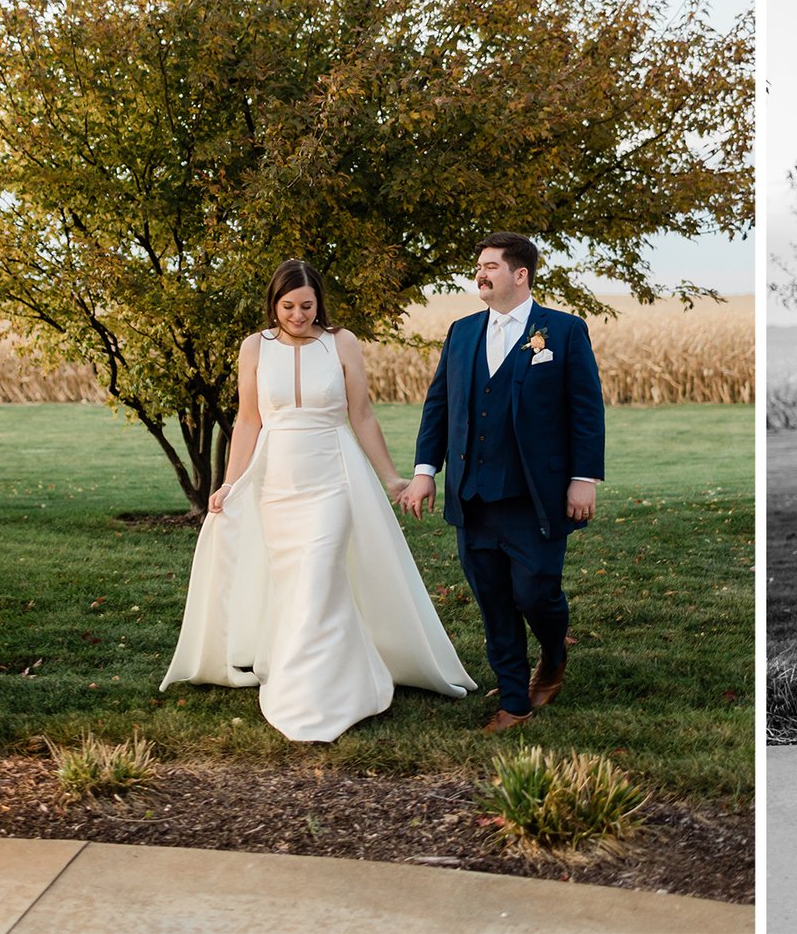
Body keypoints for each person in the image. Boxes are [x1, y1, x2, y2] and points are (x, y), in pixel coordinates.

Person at [163, 260, 475, 742]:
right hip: (278, 481)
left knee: (320, 573)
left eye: (306, 305)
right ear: (274, 304)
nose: (297, 315)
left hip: (333, 475)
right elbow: (248, 422)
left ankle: (323, 692)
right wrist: (230, 482)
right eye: (287, 306)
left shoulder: (341, 342)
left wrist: (390, 476)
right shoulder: (254, 348)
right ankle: (298, 670)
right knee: (292, 582)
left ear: (319, 303)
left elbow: (363, 416)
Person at [399, 233, 605, 735]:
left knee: (536, 594)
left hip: (536, 496)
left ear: (520, 275)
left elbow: (585, 410)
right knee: (493, 601)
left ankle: (553, 656)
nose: (481, 273)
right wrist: (426, 472)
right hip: (472, 495)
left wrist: (583, 479)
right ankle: (514, 701)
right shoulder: (463, 331)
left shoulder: (563, 330)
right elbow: (439, 407)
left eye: (491, 265)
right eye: (479, 265)